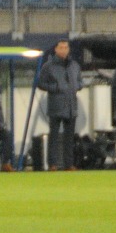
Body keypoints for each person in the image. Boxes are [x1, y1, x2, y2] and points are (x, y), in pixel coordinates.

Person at [37, 39, 83, 171]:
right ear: (56, 49)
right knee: (54, 137)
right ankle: (53, 164)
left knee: (69, 138)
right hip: (56, 105)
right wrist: (56, 87)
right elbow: (41, 83)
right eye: (61, 47)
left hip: (71, 106)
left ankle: (69, 164)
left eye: (66, 47)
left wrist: (77, 86)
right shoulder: (48, 66)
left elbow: (80, 81)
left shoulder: (74, 65)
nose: (64, 50)